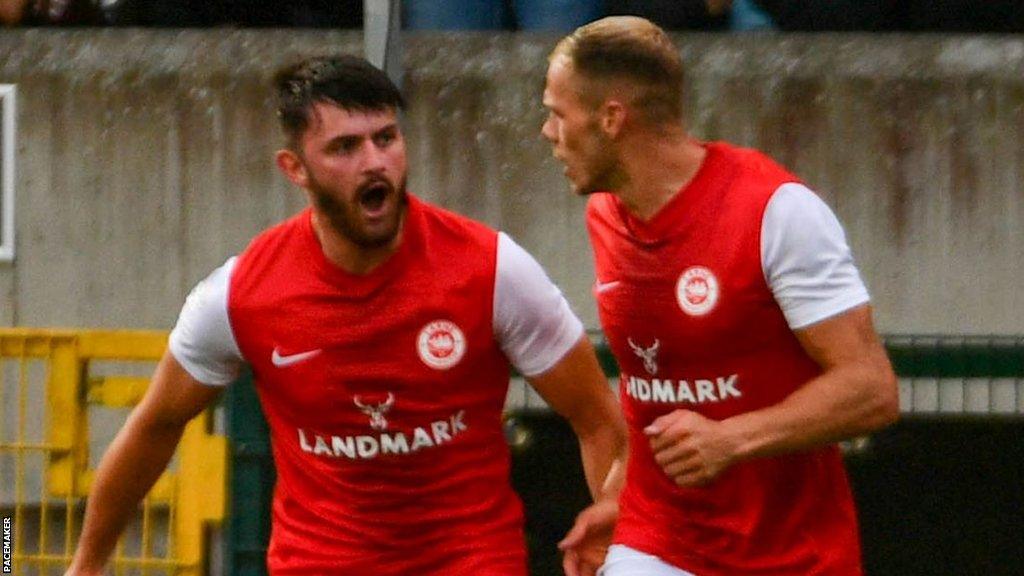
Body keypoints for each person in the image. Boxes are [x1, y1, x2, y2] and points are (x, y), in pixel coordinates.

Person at [65, 55, 627, 575]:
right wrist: (87, 564)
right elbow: (155, 425)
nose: (374, 162)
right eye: (344, 148)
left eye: (386, 138)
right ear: (295, 168)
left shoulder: (494, 270)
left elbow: (598, 416)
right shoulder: (240, 294)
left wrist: (614, 526)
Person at [544, 16, 899, 576]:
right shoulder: (605, 216)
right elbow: (650, 384)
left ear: (611, 118)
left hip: (792, 553)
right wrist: (615, 497)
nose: (548, 132)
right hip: (660, 538)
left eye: (557, 114)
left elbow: (872, 389)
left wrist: (731, 439)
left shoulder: (776, 211)